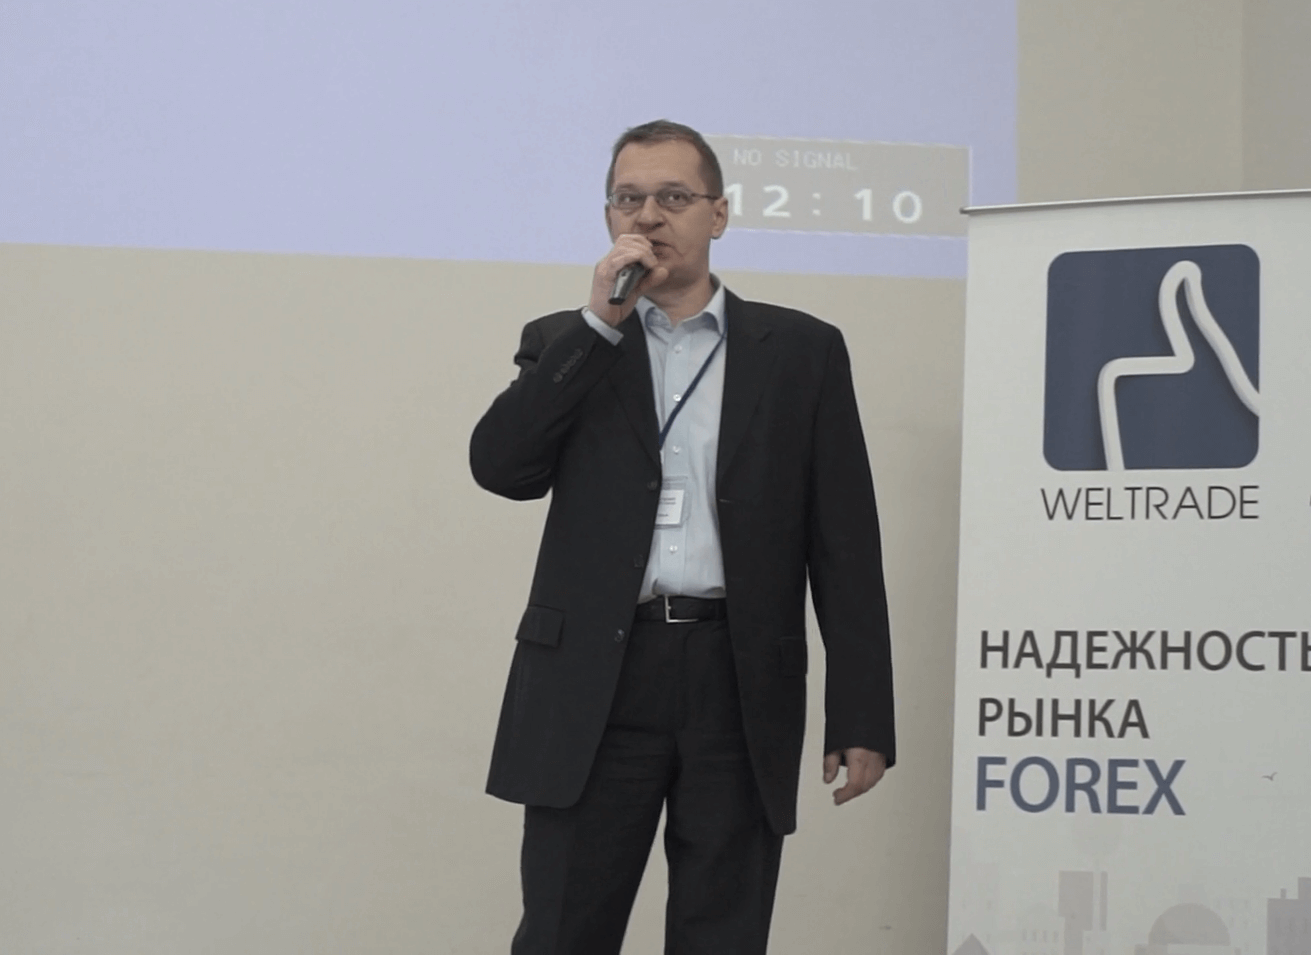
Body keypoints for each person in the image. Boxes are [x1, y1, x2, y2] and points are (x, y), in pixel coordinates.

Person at [469, 119, 895, 955]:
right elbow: (502, 467)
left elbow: (845, 543)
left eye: (672, 196)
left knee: (721, 933)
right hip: (596, 680)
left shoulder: (800, 351)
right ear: (608, 217)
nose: (649, 215)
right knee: (561, 931)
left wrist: (861, 712)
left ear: (719, 214)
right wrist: (599, 325)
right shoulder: (566, 341)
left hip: (736, 677)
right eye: (628, 198)